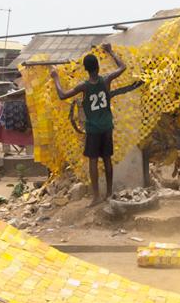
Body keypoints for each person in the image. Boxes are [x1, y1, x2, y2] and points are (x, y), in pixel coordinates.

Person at [50, 43, 126, 206]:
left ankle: (96, 196)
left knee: (93, 160)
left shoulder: (84, 86)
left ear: (85, 69)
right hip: (107, 127)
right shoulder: (106, 80)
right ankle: (110, 193)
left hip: (93, 129)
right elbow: (122, 67)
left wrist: (56, 77)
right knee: (107, 159)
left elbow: (63, 95)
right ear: (98, 66)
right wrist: (111, 51)